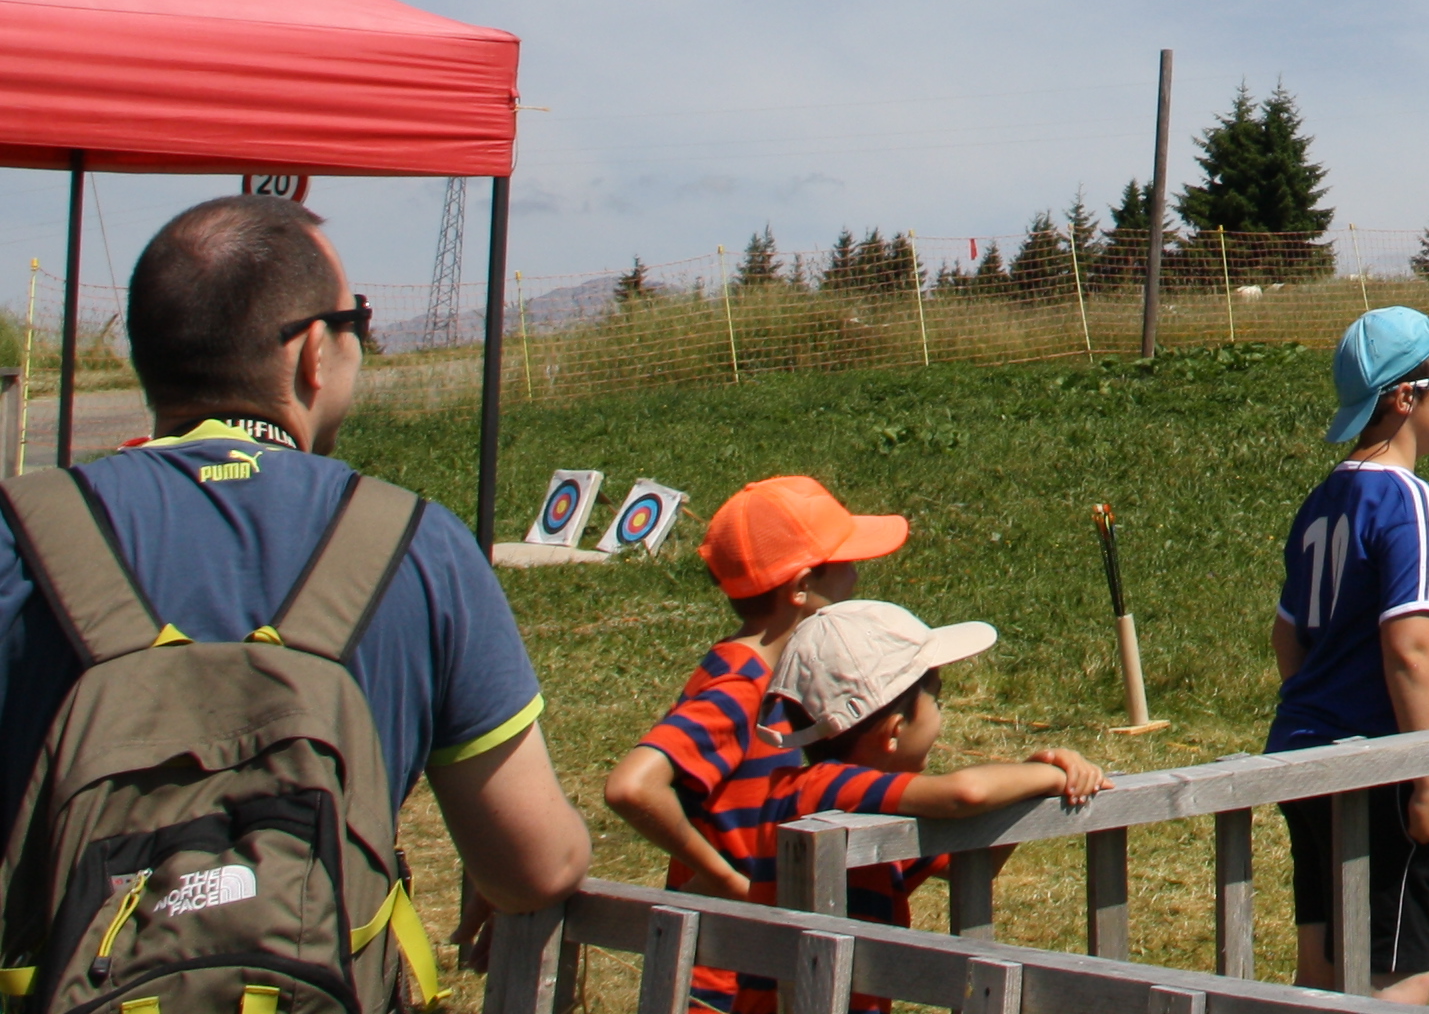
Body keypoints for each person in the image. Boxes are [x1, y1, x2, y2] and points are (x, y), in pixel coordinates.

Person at [0, 195, 591, 962]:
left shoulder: (21, 533)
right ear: (314, 351)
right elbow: (536, 866)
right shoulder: (419, 549)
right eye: (358, 324)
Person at [683, 600, 1110, 1014]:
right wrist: (1049, 775)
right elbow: (966, 794)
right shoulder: (817, 791)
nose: (941, 713)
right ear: (895, 730)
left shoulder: (861, 803)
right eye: (936, 699)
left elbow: (963, 859)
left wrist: (1027, 788)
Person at [1273, 305, 1429, 1004]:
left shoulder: (1323, 499)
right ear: (1404, 397)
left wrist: (1319, 710)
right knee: (1395, 974)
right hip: (1382, 766)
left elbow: (1287, 634)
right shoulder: (1410, 502)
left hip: (1304, 756)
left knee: (1323, 962)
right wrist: (1425, 777)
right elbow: (1412, 646)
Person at [606, 475, 910, 902]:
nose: (856, 579)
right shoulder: (742, 687)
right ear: (801, 587)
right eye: (847, 565)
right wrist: (727, 880)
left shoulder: (772, 676)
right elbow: (632, 787)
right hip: (729, 957)